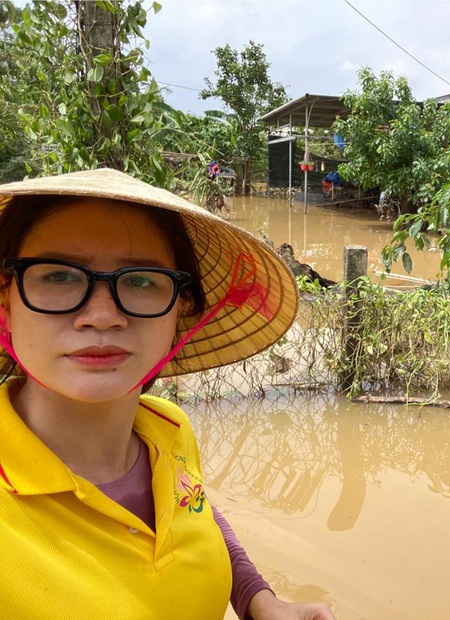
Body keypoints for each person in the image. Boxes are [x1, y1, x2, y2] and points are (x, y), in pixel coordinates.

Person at [0, 168, 336, 620]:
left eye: (141, 281)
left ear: (182, 310)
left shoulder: (168, 427)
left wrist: (258, 599)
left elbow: (193, 510)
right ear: (5, 300)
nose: (101, 316)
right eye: (59, 276)